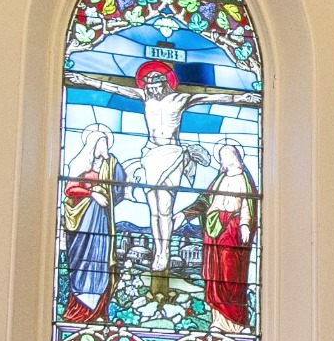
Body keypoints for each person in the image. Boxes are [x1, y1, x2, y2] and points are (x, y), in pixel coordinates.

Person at [64, 60, 260, 299]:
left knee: (165, 207)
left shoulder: (180, 99)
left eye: (154, 85)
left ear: (164, 82)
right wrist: (84, 80)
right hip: (151, 154)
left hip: (172, 153)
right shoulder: (145, 97)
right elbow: (114, 87)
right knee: (154, 209)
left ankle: (164, 250)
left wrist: (242, 98)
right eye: (147, 85)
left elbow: (212, 97)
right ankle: (158, 250)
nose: (150, 89)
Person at [187, 142, 257, 332]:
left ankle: (236, 322)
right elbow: (204, 201)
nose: (224, 158)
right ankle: (218, 321)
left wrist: (245, 224)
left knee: (231, 273)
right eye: (222, 155)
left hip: (232, 230)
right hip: (213, 230)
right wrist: (185, 215)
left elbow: (248, 205)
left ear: (237, 157)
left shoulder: (244, 180)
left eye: (227, 154)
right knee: (215, 275)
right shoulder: (218, 180)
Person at [60, 124, 123, 323]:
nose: (105, 146)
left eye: (106, 142)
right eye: (102, 142)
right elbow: (70, 189)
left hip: (102, 221)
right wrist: (92, 194)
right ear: (93, 144)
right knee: (82, 261)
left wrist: (111, 164)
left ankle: (98, 313)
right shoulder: (79, 163)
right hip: (82, 220)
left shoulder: (111, 164)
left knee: (101, 260)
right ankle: (79, 312)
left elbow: (119, 189)